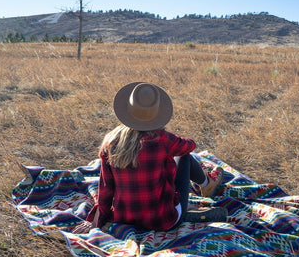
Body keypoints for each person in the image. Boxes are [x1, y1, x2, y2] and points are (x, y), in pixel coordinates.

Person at [72, 82, 227, 234]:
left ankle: (202, 190)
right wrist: (170, 136)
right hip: (163, 221)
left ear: (128, 111)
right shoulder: (163, 139)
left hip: (124, 218)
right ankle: (206, 184)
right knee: (184, 157)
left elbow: (106, 189)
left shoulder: (110, 141)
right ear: (157, 113)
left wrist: (95, 220)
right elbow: (190, 145)